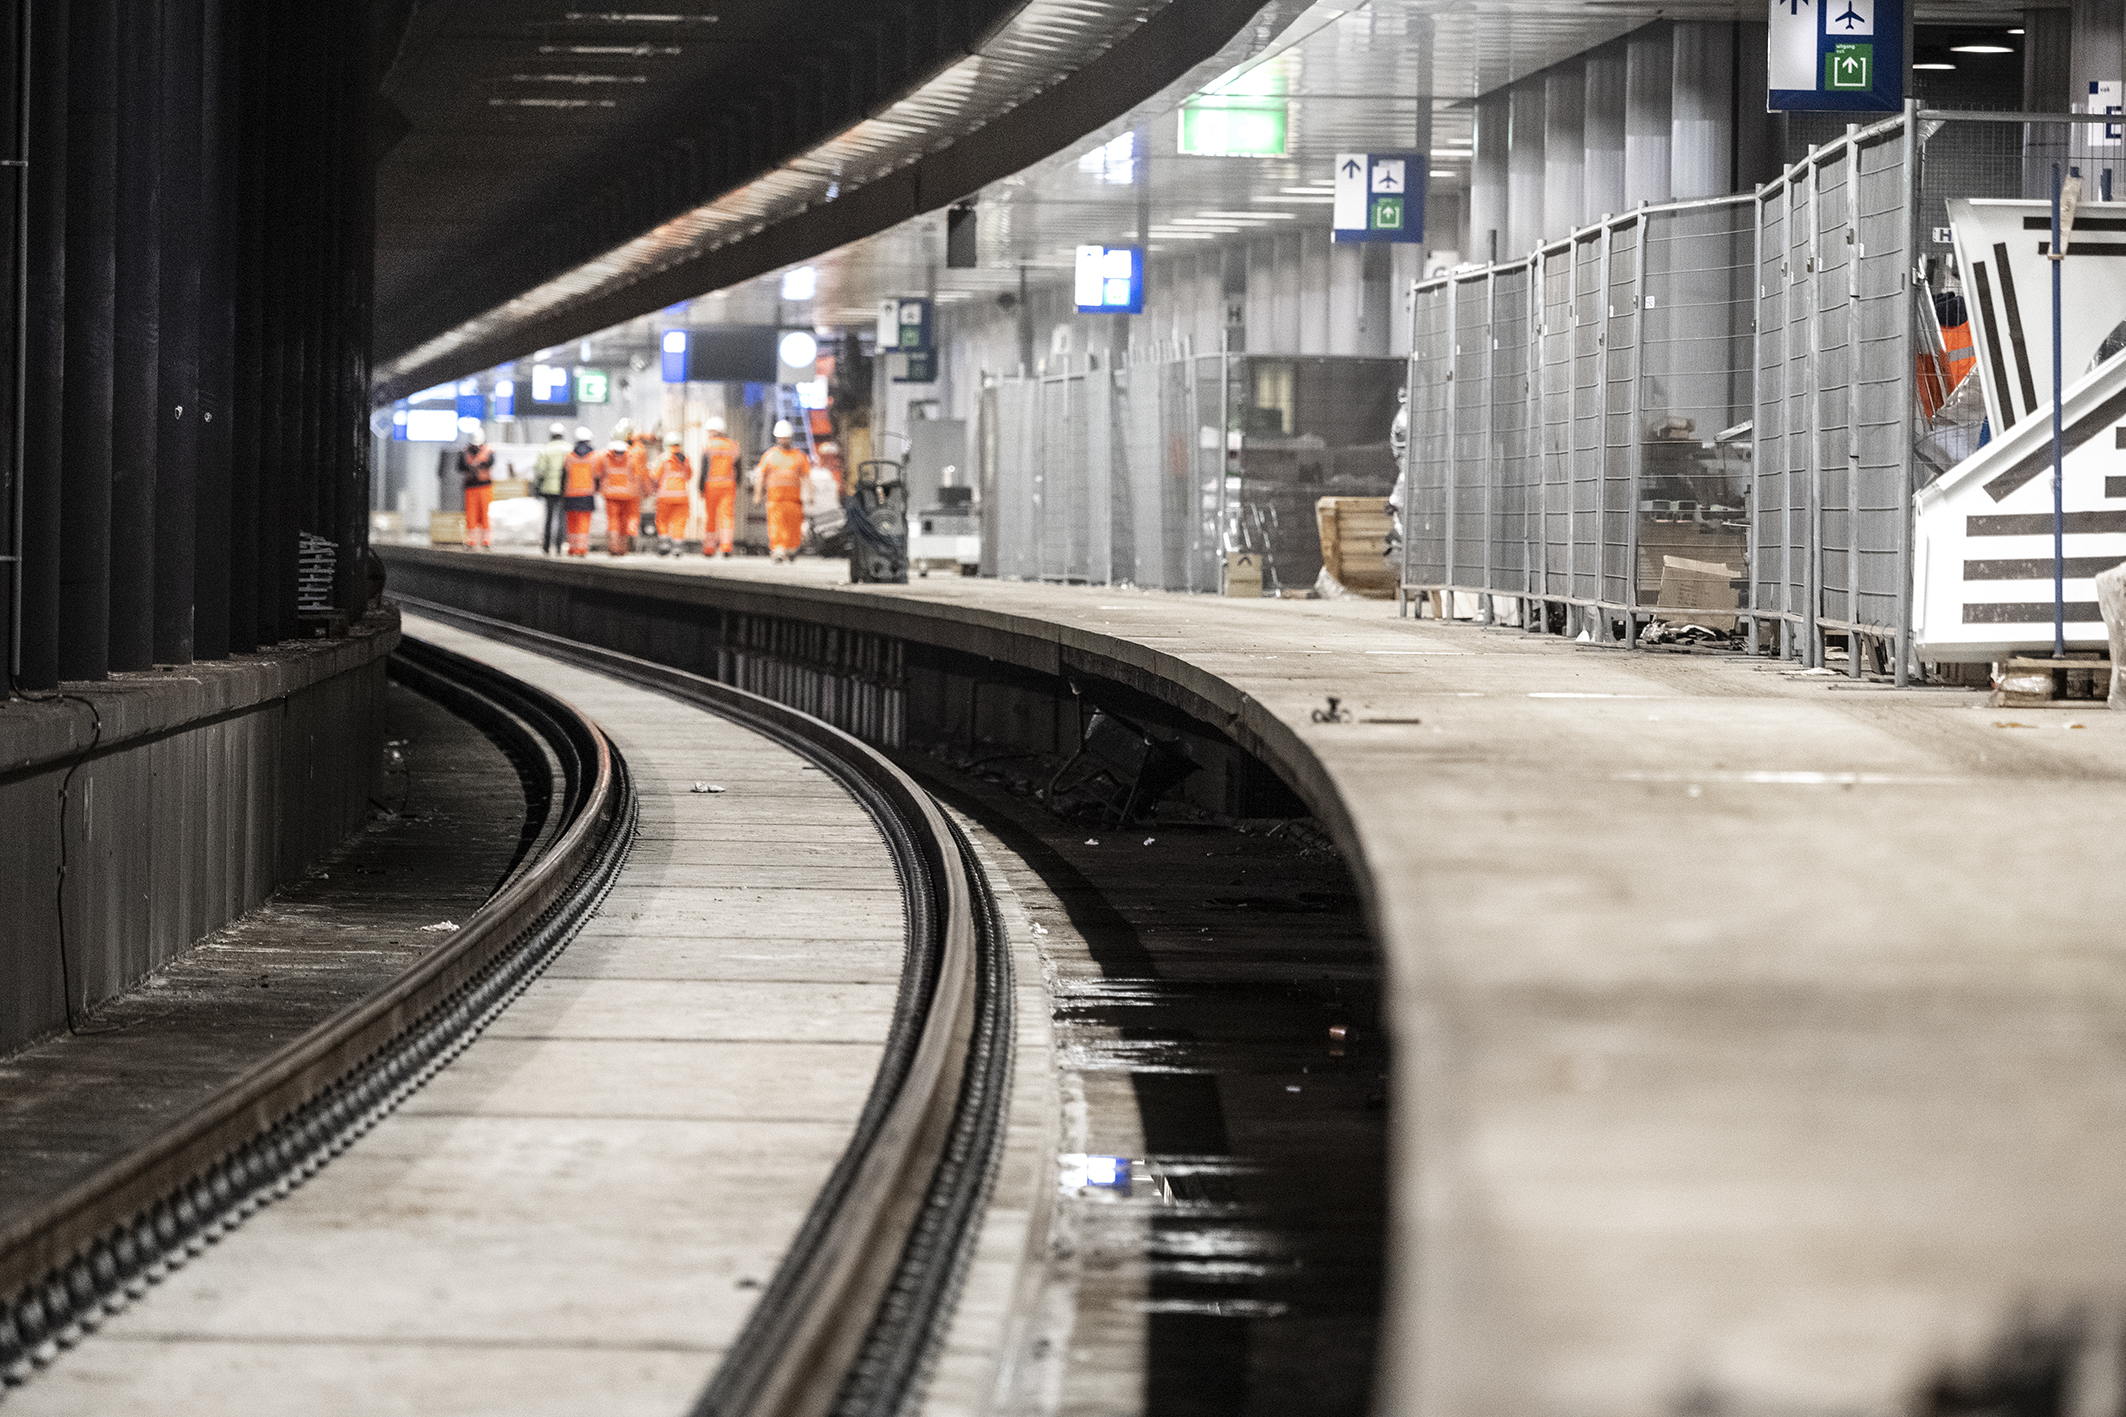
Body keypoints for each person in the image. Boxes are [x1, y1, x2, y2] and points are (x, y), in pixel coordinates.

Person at [752, 419, 810, 563]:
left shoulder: (799, 456)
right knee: (776, 525)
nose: (783, 440)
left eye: (786, 437)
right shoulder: (770, 456)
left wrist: (810, 495)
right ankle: (778, 550)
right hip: (775, 499)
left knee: (793, 526)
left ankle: (791, 549)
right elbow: (760, 476)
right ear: (777, 438)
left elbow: (807, 477)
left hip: (794, 500)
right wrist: (757, 496)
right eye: (781, 437)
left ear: (790, 437)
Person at [699, 415, 741, 557]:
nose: (709, 434)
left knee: (711, 516)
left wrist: (700, 487)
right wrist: (737, 483)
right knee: (727, 516)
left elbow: (704, 469)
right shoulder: (732, 446)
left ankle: (709, 548)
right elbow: (738, 467)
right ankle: (726, 546)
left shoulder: (708, 447)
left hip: (711, 485)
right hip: (729, 485)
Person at [456, 419, 495, 549]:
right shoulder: (465, 451)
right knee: (471, 516)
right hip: (470, 488)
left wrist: (476, 464)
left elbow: (490, 463)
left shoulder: (488, 451)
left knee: (485, 515)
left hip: (485, 487)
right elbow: (460, 466)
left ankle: (486, 541)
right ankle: (471, 541)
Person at [532, 421, 569, 554]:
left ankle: (546, 546)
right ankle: (559, 545)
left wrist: (537, 486)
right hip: (564, 487)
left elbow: (540, 470)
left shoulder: (545, 450)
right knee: (562, 517)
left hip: (548, 488)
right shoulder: (568, 449)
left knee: (548, 517)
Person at [562, 426, 600, 556]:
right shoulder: (594, 457)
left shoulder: (569, 457)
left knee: (571, 523)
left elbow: (564, 475)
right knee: (584, 523)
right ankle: (581, 548)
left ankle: (572, 548)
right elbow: (597, 475)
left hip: (571, 494)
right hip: (587, 494)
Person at [652, 431, 692, 553]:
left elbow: (655, 475)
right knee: (679, 522)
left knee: (662, 520)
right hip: (681, 496)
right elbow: (689, 475)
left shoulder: (662, 458)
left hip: (665, 496)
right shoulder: (685, 459)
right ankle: (677, 547)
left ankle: (664, 544)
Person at [599, 436, 638, 555]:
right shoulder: (630, 459)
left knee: (613, 522)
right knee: (623, 522)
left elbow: (599, 473)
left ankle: (613, 548)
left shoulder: (606, 459)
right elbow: (635, 476)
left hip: (610, 495)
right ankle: (623, 548)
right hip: (626, 495)